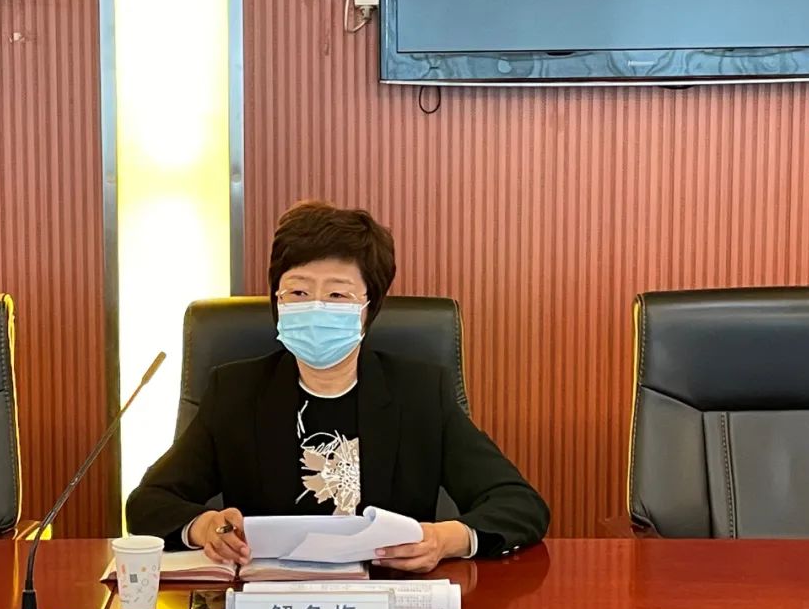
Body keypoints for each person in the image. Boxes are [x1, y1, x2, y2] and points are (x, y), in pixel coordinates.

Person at [126, 202, 549, 573]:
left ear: (369, 308)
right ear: (277, 301)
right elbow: (149, 502)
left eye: (337, 295)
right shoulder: (235, 392)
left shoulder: (419, 393)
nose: (316, 307)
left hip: (388, 602)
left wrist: (444, 539)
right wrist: (204, 527)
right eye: (298, 291)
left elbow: (520, 505)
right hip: (270, 607)